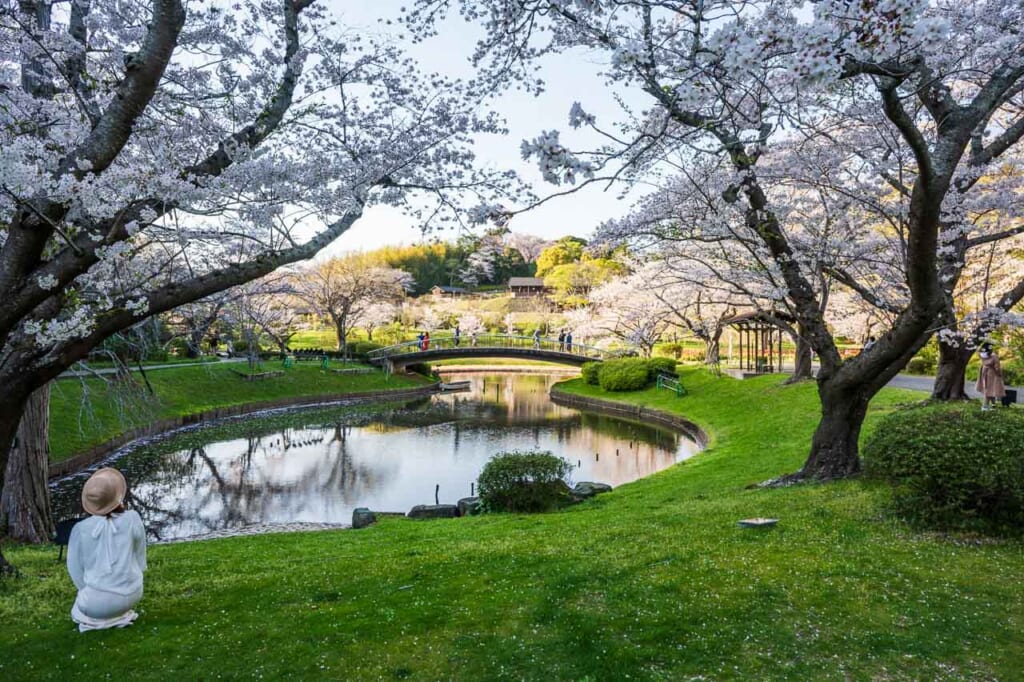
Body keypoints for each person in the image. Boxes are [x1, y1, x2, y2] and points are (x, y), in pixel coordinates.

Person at [67, 468, 147, 632]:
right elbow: (140, 555)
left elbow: (75, 570)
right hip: (134, 592)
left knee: (79, 607)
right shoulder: (132, 518)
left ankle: (102, 615)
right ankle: (117, 612)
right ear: (117, 496)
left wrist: (91, 589)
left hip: (97, 603)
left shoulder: (81, 529)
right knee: (93, 599)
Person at [976, 343, 1006, 411]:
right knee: (990, 389)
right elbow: (997, 368)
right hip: (992, 373)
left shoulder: (981, 354)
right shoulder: (994, 356)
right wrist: (999, 374)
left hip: (984, 371)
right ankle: (985, 406)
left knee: (989, 388)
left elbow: (977, 351)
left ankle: (993, 404)